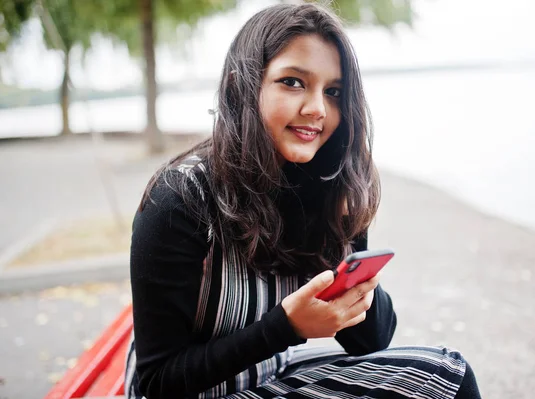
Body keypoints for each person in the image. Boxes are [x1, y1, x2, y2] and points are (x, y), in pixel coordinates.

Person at [124, 3, 482, 399]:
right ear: (240, 85)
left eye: (333, 92)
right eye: (293, 82)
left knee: (444, 375)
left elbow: (372, 340)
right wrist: (285, 328)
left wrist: (345, 245)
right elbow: (157, 383)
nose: (317, 109)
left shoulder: (316, 181)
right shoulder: (180, 200)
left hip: (267, 376)